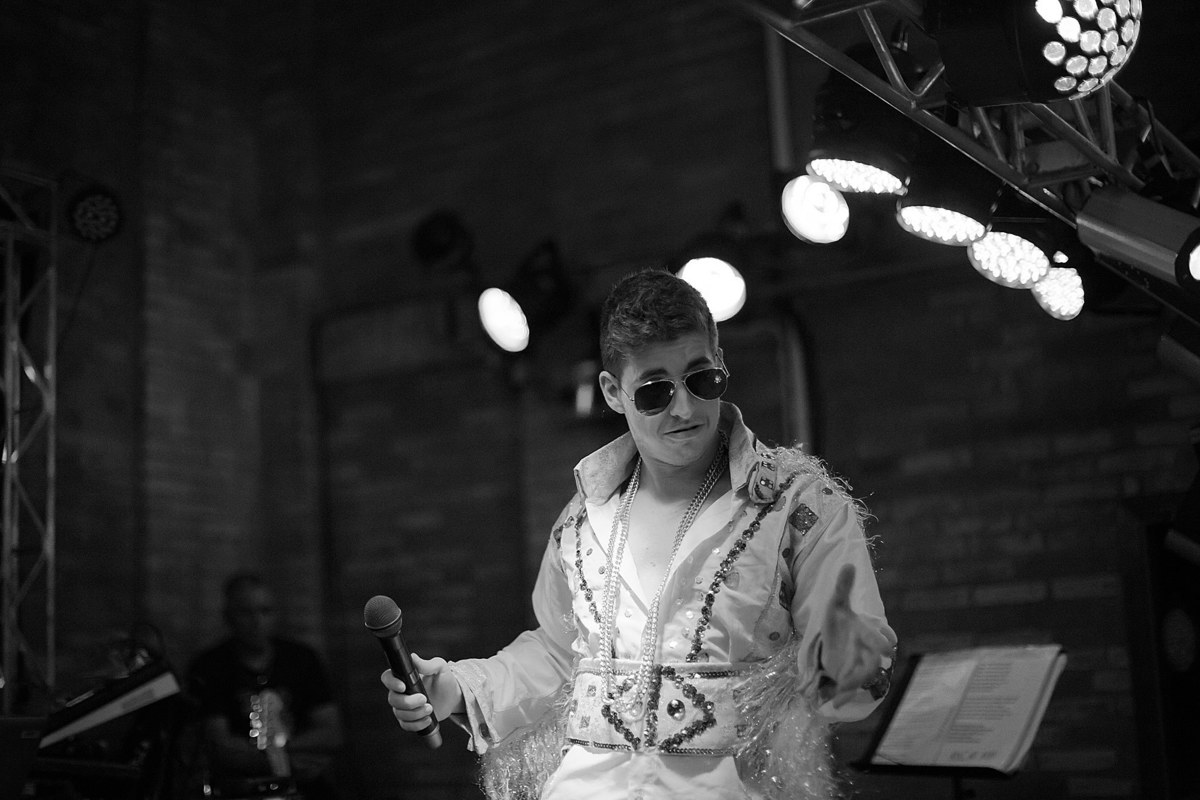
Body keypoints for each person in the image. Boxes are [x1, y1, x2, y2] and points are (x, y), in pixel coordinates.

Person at [382, 268, 897, 799]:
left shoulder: (799, 506)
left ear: (722, 366)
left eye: (701, 380)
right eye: (655, 391)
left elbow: (858, 672)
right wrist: (457, 687)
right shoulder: (582, 522)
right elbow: (557, 654)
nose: (684, 407)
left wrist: (848, 667)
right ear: (612, 392)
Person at [188, 572, 344, 799]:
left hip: (304, 787)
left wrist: (276, 752)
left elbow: (331, 733)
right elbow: (219, 745)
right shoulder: (210, 666)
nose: (257, 621)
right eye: (246, 612)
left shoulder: (302, 659)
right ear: (228, 617)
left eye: (265, 611)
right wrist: (285, 759)